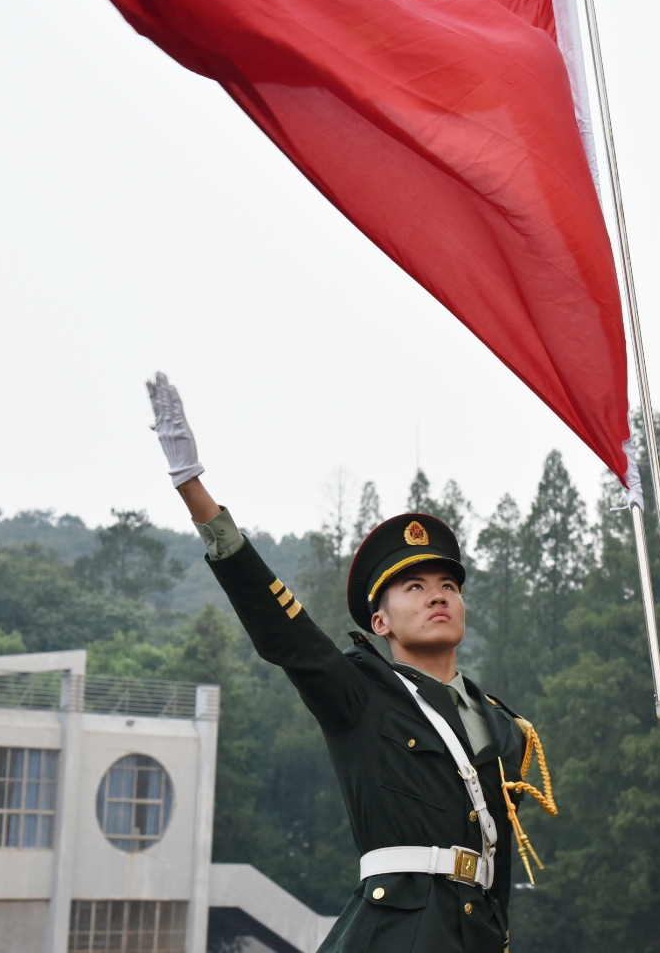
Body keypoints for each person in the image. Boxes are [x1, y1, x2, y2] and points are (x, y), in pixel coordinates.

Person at [146, 372, 553, 953]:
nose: (438, 595)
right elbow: (286, 632)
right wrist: (196, 493)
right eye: (414, 586)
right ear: (379, 623)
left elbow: (498, 865)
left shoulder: (504, 727)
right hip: (393, 934)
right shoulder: (361, 694)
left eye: (447, 585)